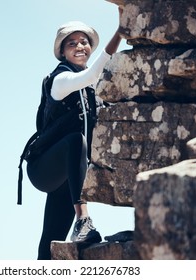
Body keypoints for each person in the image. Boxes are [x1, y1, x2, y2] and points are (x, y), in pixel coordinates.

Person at [26, 9, 123, 260]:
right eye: (72, 43)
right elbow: (91, 74)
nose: (80, 46)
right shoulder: (61, 79)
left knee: (50, 240)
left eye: (84, 42)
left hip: (69, 176)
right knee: (74, 141)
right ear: (62, 51)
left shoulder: (93, 91)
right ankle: (84, 220)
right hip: (44, 169)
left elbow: (96, 82)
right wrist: (122, 31)